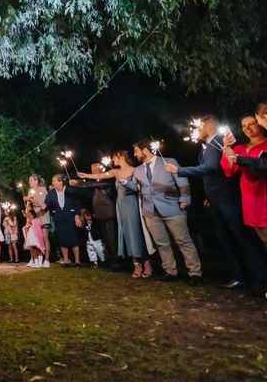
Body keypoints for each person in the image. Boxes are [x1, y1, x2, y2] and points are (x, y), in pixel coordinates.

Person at [165, 115, 267, 290]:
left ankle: (259, 279)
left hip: (228, 198)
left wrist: (180, 170)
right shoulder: (208, 145)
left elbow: (213, 167)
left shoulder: (220, 141)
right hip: (215, 199)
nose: (197, 129)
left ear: (210, 125)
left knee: (243, 238)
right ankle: (238, 277)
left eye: (200, 125)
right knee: (224, 238)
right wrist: (208, 196)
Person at [122, 137, 202, 285]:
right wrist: (126, 183)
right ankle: (170, 271)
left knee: (183, 241)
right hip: (150, 212)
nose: (135, 154)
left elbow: (182, 182)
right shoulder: (138, 170)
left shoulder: (169, 162)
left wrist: (184, 199)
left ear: (145, 150)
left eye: (136, 151)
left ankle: (195, 273)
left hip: (172, 207)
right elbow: (137, 188)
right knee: (161, 243)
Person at [78, 151, 153, 278]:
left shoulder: (136, 170)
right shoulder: (114, 171)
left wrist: (125, 182)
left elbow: (139, 187)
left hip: (133, 205)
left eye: (114, 157)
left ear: (122, 157)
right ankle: (136, 265)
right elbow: (101, 176)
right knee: (127, 235)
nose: (112, 159)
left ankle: (146, 263)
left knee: (137, 234)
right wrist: (85, 175)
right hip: (120, 206)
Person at [221, 115, 267, 245]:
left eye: (251, 123)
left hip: (264, 196)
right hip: (250, 199)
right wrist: (227, 149)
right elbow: (229, 171)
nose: (247, 128)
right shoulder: (239, 148)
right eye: (243, 126)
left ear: (260, 124)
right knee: (263, 240)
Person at [71, 164, 120, 270]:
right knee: (106, 239)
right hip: (100, 214)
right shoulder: (96, 182)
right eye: (92, 169)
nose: (93, 171)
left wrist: (79, 183)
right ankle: (110, 260)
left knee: (112, 238)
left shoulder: (107, 180)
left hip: (109, 213)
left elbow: (92, 185)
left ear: (102, 169)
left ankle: (116, 262)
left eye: (95, 169)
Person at [44, 174, 83, 266]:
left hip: (71, 216)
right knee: (62, 239)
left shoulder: (70, 190)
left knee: (74, 238)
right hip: (59, 218)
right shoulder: (51, 193)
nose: (52, 182)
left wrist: (77, 215)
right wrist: (43, 206)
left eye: (54, 181)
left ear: (61, 181)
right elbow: (48, 204)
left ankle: (77, 260)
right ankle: (66, 260)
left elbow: (77, 203)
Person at [23, 175, 52, 266]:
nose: (29, 182)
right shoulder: (30, 191)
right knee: (36, 239)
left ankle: (46, 260)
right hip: (35, 218)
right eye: (29, 180)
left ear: (36, 181)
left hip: (43, 216)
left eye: (31, 180)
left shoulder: (42, 190)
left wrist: (31, 199)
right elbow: (29, 206)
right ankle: (37, 260)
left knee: (45, 237)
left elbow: (42, 204)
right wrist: (27, 209)